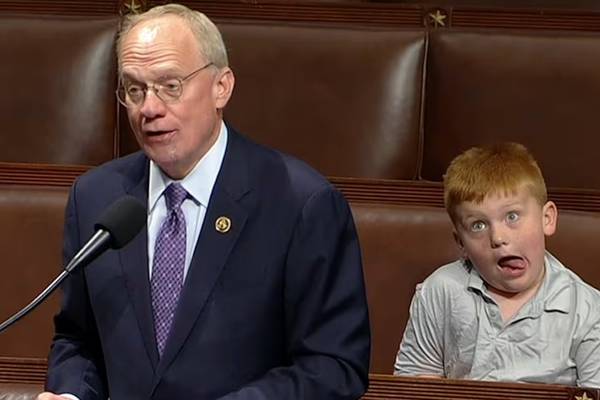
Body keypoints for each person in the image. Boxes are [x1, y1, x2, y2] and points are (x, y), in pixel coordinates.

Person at [38, 4, 370, 399]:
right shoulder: (95, 198)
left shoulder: (301, 204)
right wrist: (72, 394)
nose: (149, 108)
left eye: (170, 86)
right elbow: (77, 340)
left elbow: (334, 366)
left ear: (221, 87)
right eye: (134, 89)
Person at [394, 142, 600, 387]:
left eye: (512, 216)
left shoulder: (588, 310)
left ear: (547, 219)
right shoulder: (440, 290)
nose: (498, 238)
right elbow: (415, 382)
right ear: (461, 242)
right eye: (478, 225)